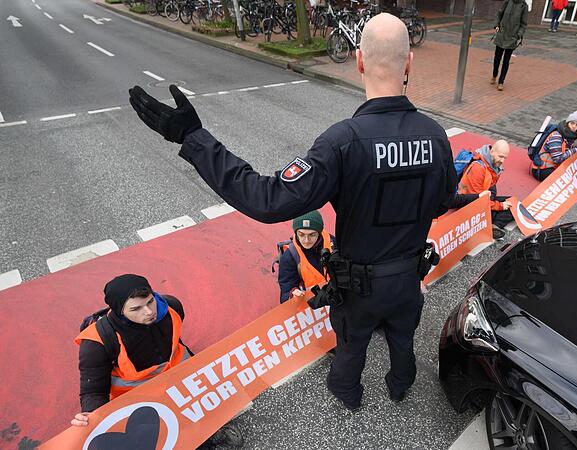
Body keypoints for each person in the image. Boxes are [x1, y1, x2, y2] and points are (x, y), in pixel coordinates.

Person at [128, 13, 457, 411]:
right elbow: (443, 201)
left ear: (359, 61)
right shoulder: (436, 136)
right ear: (409, 62)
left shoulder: (343, 141)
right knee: (403, 340)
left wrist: (194, 139)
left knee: (351, 346)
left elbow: (267, 199)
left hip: (360, 287)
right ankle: (399, 386)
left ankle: (348, 396)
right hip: (408, 278)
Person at [71, 274, 242, 448]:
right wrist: (92, 419)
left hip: (182, 381)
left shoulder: (171, 306)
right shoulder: (96, 342)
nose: (149, 312)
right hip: (141, 400)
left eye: (150, 301)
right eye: (136, 309)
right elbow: (93, 392)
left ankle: (209, 430)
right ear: (119, 311)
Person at [457, 140, 514, 239]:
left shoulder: (493, 165)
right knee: (506, 207)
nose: (502, 161)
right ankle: (493, 225)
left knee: (513, 202)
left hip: (481, 197)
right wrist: (499, 206)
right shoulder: (478, 168)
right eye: (500, 156)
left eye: (505, 158)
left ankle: (493, 226)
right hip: (468, 205)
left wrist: (492, 200)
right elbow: (477, 201)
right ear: (491, 151)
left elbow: (490, 188)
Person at [278, 210, 335, 303]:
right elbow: (286, 291)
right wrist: (292, 294)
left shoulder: (333, 243)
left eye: (312, 235)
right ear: (296, 233)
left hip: (336, 297)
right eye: (301, 234)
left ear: (319, 233)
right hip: (313, 304)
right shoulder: (289, 257)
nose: (306, 240)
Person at [529, 111, 577, 181]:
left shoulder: (568, 136)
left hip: (553, 167)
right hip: (542, 170)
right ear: (567, 123)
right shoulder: (557, 136)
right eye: (572, 123)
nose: (574, 126)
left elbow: (566, 153)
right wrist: (576, 148)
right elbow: (557, 159)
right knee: (567, 180)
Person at [492, 0, 528, 91]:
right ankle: (494, 74)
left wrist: (518, 34)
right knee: (497, 58)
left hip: (512, 37)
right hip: (501, 34)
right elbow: (499, 14)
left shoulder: (523, 5)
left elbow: (523, 24)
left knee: (506, 61)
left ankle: (501, 81)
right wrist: (496, 25)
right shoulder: (507, 2)